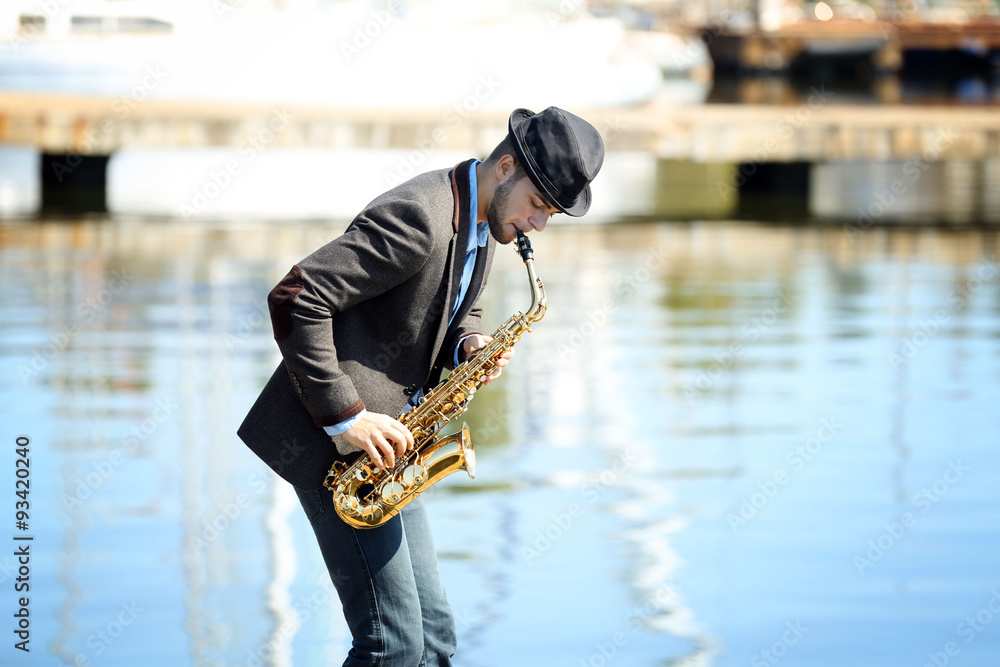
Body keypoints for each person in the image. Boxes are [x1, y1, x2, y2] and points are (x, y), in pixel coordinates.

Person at [237, 106, 605, 666]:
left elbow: (458, 301)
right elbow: (296, 297)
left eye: (551, 214)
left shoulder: (480, 220)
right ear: (505, 167)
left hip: (395, 448)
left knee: (434, 642)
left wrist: (467, 344)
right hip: (337, 447)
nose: (539, 226)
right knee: (392, 645)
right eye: (538, 205)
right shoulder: (420, 218)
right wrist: (347, 416)